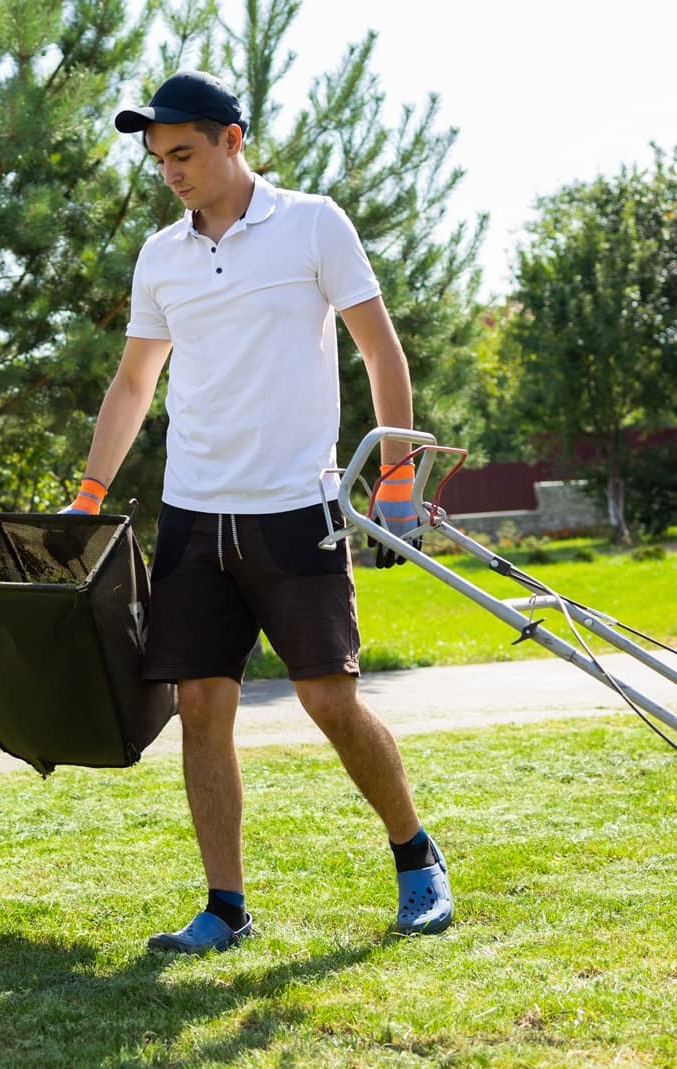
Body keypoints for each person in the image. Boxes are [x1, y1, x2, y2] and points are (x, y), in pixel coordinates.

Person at [60, 70, 452, 954]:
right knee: (201, 707)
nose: (171, 172)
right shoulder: (162, 256)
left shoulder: (313, 224)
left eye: (183, 153)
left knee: (329, 701)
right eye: (159, 159)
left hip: (296, 506)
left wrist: (397, 474)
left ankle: (416, 856)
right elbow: (134, 383)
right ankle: (225, 906)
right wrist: (88, 494)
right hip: (194, 513)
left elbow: (379, 348)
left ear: (232, 140)